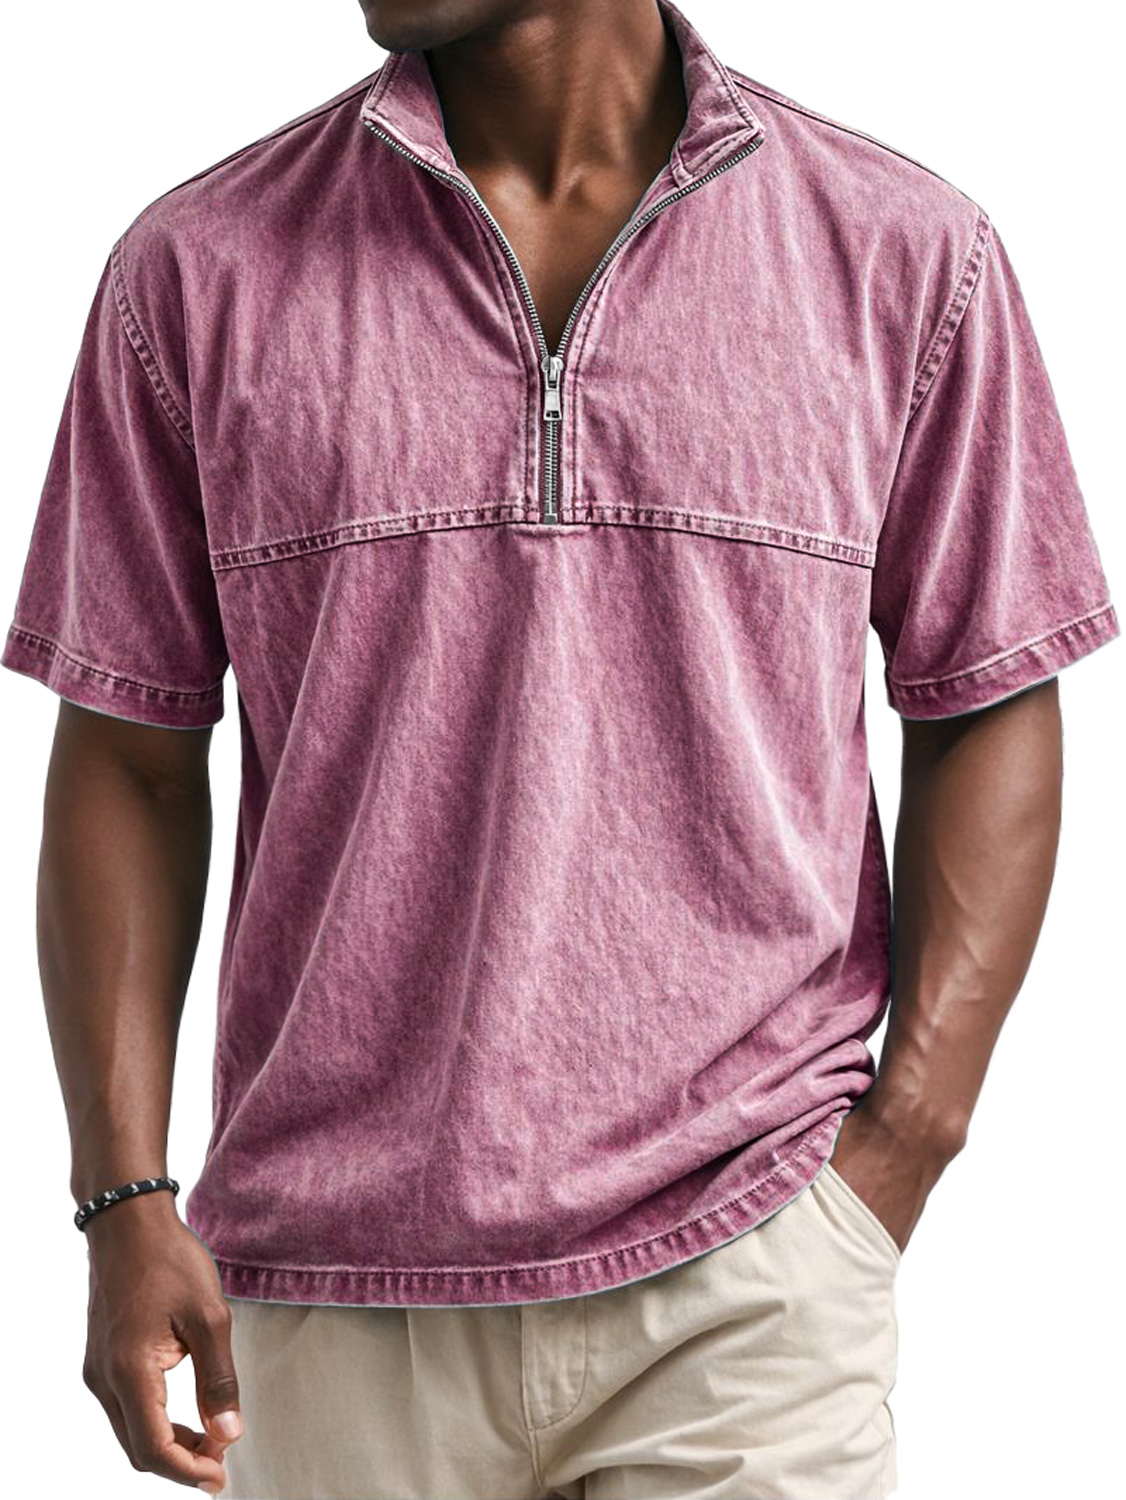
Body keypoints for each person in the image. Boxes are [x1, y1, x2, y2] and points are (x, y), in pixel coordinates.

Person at [3, 0, 1119, 1495]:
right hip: (330, 1284)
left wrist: (908, 1132)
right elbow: (131, 752)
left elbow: (985, 687)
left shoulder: (902, 252)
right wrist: (122, 1198)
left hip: (748, 1263)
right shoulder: (199, 270)